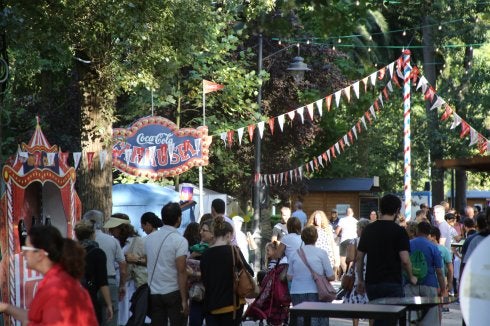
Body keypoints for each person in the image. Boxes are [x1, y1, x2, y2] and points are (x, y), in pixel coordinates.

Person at [0, 225, 98, 325]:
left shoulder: (56, 289)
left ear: (40, 254)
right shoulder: (60, 281)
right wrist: (6, 307)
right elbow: (35, 318)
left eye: (26, 248)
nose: (23, 253)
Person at [356, 194, 417, 326]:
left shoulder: (368, 229)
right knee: (390, 320)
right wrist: (411, 276)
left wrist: (360, 279)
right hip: (392, 282)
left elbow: (359, 258)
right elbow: (405, 260)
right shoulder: (399, 231)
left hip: (372, 282)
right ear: (396, 210)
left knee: (376, 317)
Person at [200, 216, 254, 325]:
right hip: (232, 305)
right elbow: (249, 272)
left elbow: (205, 280)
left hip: (212, 306)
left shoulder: (205, 254)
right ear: (228, 235)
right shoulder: (234, 251)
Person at [145, 202, 189, 326]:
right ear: (179, 218)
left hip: (154, 292)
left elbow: (149, 262)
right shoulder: (180, 241)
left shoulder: (149, 239)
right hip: (173, 291)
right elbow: (181, 271)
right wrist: (184, 299)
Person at [83, 210, 127, 326]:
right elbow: (122, 266)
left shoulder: (79, 242)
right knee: (110, 317)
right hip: (109, 282)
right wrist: (122, 285)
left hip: (87, 284)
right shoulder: (112, 241)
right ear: (101, 222)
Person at [104, 213, 147, 325]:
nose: (110, 230)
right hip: (116, 282)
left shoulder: (138, 241)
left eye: (114, 227)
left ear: (122, 228)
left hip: (131, 284)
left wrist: (136, 260)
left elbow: (148, 261)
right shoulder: (114, 241)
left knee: (128, 314)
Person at [287, 225, 335, 326]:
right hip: (316, 291)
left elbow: (289, 276)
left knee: (301, 321)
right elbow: (331, 276)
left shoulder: (295, 254)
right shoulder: (321, 253)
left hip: (297, 291)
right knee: (318, 320)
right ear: (316, 238)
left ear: (302, 238)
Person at [405, 222, 446, 325]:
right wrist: (443, 289)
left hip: (410, 284)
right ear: (429, 233)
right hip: (429, 285)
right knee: (430, 320)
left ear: (417, 230)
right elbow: (439, 272)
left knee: (410, 320)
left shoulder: (408, 244)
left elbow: (403, 263)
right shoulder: (433, 247)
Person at [75, 220, 114, 324]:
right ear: (92, 234)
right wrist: (109, 304)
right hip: (89, 297)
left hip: (71, 298)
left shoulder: (70, 251)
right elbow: (102, 282)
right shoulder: (97, 253)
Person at [342, 218, 372, 326]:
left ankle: (356, 324)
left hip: (358, 274)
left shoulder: (354, 241)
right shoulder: (373, 241)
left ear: (361, 229)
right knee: (370, 304)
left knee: (356, 303)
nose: (356, 231)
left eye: (357, 228)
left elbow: (349, 258)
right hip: (370, 273)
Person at [429, 226, 453, 297]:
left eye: (428, 235)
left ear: (434, 237)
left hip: (440, 283)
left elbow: (450, 268)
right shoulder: (426, 248)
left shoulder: (443, 249)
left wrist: (450, 282)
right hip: (429, 284)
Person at [336, 208, 358, 276]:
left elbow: (337, 231)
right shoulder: (356, 221)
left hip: (344, 241)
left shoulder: (342, 220)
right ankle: (350, 275)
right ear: (353, 213)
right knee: (352, 260)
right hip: (353, 241)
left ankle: (346, 275)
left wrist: (336, 237)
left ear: (346, 213)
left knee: (342, 260)